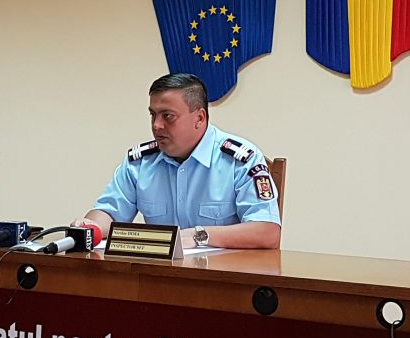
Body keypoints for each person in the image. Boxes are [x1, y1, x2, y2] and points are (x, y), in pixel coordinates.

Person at [72, 73, 281, 249]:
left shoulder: (240, 160)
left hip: (222, 278)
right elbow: (109, 212)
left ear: (199, 118)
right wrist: (90, 226)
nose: (156, 125)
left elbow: (267, 232)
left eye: (167, 116)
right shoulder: (140, 163)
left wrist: (198, 236)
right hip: (158, 276)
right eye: (153, 115)